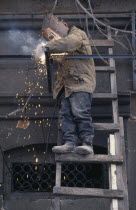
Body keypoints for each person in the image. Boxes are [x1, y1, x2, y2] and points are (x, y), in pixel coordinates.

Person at [41, 14, 96, 155]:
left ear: (65, 25)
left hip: (80, 82)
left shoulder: (77, 34)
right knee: (65, 115)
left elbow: (69, 43)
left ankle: (86, 143)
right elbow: (60, 57)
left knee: (80, 112)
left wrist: (47, 46)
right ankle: (70, 142)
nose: (56, 36)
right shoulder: (61, 42)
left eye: (57, 32)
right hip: (65, 86)